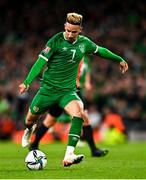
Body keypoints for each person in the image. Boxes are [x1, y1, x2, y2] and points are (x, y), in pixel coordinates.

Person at [19, 12, 128, 167]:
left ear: (80, 30)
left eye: (74, 32)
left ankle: (69, 154)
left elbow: (101, 51)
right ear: (65, 26)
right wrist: (27, 82)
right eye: (68, 30)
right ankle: (29, 129)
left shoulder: (84, 43)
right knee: (29, 119)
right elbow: (39, 62)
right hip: (47, 91)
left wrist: (119, 59)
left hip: (67, 92)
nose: (70, 34)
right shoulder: (55, 40)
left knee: (79, 112)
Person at [29, 56, 109, 157]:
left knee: (84, 119)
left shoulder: (86, 59)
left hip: (75, 91)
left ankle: (94, 149)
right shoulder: (70, 55)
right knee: (50, 121)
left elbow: (87, 71)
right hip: (66, 90)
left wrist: (87, 83)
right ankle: (34, 143)